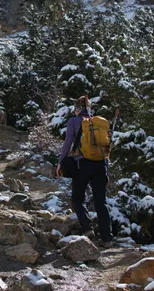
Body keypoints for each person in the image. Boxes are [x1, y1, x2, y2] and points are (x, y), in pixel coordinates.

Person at [56, 96, 113, 247]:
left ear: (76, 109)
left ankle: (87, 229)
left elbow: (68, 143)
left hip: (82, 164)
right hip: (100, 164)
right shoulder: (99, 123)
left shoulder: (74, 121)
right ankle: (107, 238)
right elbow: (106, 150)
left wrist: (60, 162)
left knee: (78, 198)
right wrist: (106, 171)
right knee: (101, 201)